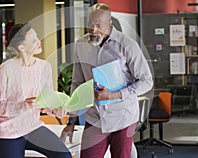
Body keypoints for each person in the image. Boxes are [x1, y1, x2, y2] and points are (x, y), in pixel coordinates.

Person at [60, 3, 153, 158]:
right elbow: (77, 82)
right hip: (95, 118)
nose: (94, 30)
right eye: (90, 24)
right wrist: (71, 121)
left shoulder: (127, 45)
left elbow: (146, 81)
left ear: (109, 23)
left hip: (123, 118)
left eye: (98, 25)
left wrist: (114, 95)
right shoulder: (81, 45)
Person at [0, 23, 71, 158]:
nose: (39, 42)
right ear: (21, 47)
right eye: (33, 40)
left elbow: (46, 100)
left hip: (33, 127)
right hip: (8, 132)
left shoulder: (44, 67)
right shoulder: (6, 69)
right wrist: (22, 105)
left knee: (64, 155)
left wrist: (56, 109)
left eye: (37, 37)